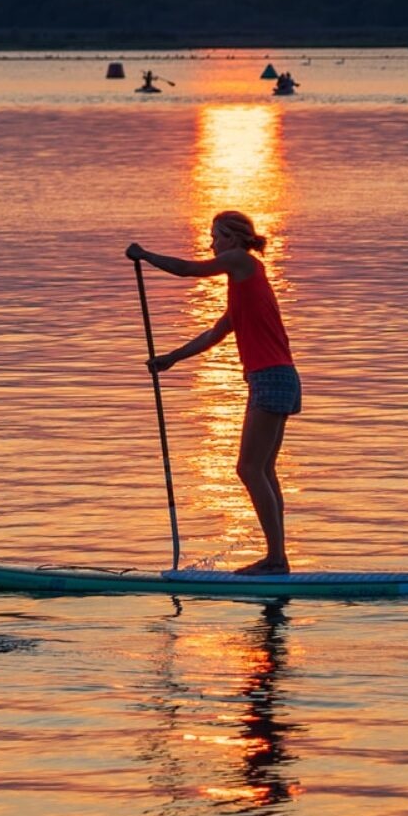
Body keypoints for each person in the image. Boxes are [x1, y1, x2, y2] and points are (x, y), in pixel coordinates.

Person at [126, 212, 299, 574]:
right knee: (263, 469)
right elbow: (213, 335)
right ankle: (277, 558)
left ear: (234, 238)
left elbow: (188, 270)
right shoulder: (244, 287)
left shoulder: (240, 261)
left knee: (249, 469)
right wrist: (171, 359)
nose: (211, 244)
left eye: (216, 236)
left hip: (271, 378)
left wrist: (145, 255)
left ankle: (276, 560)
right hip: (277, 378)